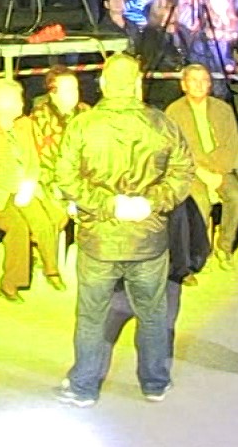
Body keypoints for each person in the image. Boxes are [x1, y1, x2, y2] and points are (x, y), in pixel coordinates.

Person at [53, 53, 193, 407]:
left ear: (101, 83)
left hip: (100, 239)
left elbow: (66, 179)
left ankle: (84, 386)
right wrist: (151, 201)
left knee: (91, 315)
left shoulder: (82, 126)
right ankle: (154, 382)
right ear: (137, 83)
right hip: (148, 238)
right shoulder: (162, 125)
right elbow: (182, 174)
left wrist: (108, 204)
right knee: (154, 313)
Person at [0, 78, 66, 301]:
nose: (23, 104)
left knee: (46, 218)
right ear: (2, 104)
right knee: (17, 226)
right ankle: (10, 283)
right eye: (18, 100)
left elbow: (31, 158)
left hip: (23, 186)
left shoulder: (23, 124)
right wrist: (18, 186)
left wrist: (30, 183)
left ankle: (51, 268)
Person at [163, 63, 238, 266]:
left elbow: (232, 143)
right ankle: (194, 255)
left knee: (236, 198)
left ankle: (224, 246)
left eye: (204, 80)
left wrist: (218, 171)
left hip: (220, 168)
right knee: (200, 203)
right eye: (193, 80)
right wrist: (201, 171)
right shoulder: (174, 112)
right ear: (183, 85)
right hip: (191, 171)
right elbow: (177, 150)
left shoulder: (223, 109)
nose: (199, 85)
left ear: (210, 84)